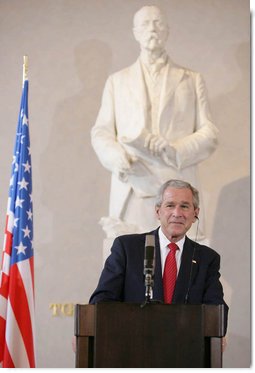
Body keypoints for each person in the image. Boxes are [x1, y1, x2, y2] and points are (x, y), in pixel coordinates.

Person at [91, 5, 218, 241]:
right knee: (131, 264)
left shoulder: (191, 80)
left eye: (157, 23)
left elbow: (209, 132)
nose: (152, 29)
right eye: (145, 24)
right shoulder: (117, 81)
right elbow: (101, 132)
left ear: (167, 30)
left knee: (180, 266)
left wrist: (176, 149)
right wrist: (116, 156)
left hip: (178, 187)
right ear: (135, 32)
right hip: (132, 185)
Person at [89, 179, 228, 336]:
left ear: (195, 213)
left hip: (186, 351)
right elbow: (102, 300)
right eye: (170, 205)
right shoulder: (128, 248)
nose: (177, 213)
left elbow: (217, 310)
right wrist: (88, 331)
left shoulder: (207, 258)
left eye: (184, 206)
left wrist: (217, 335)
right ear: (157, 212)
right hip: (133, 347)